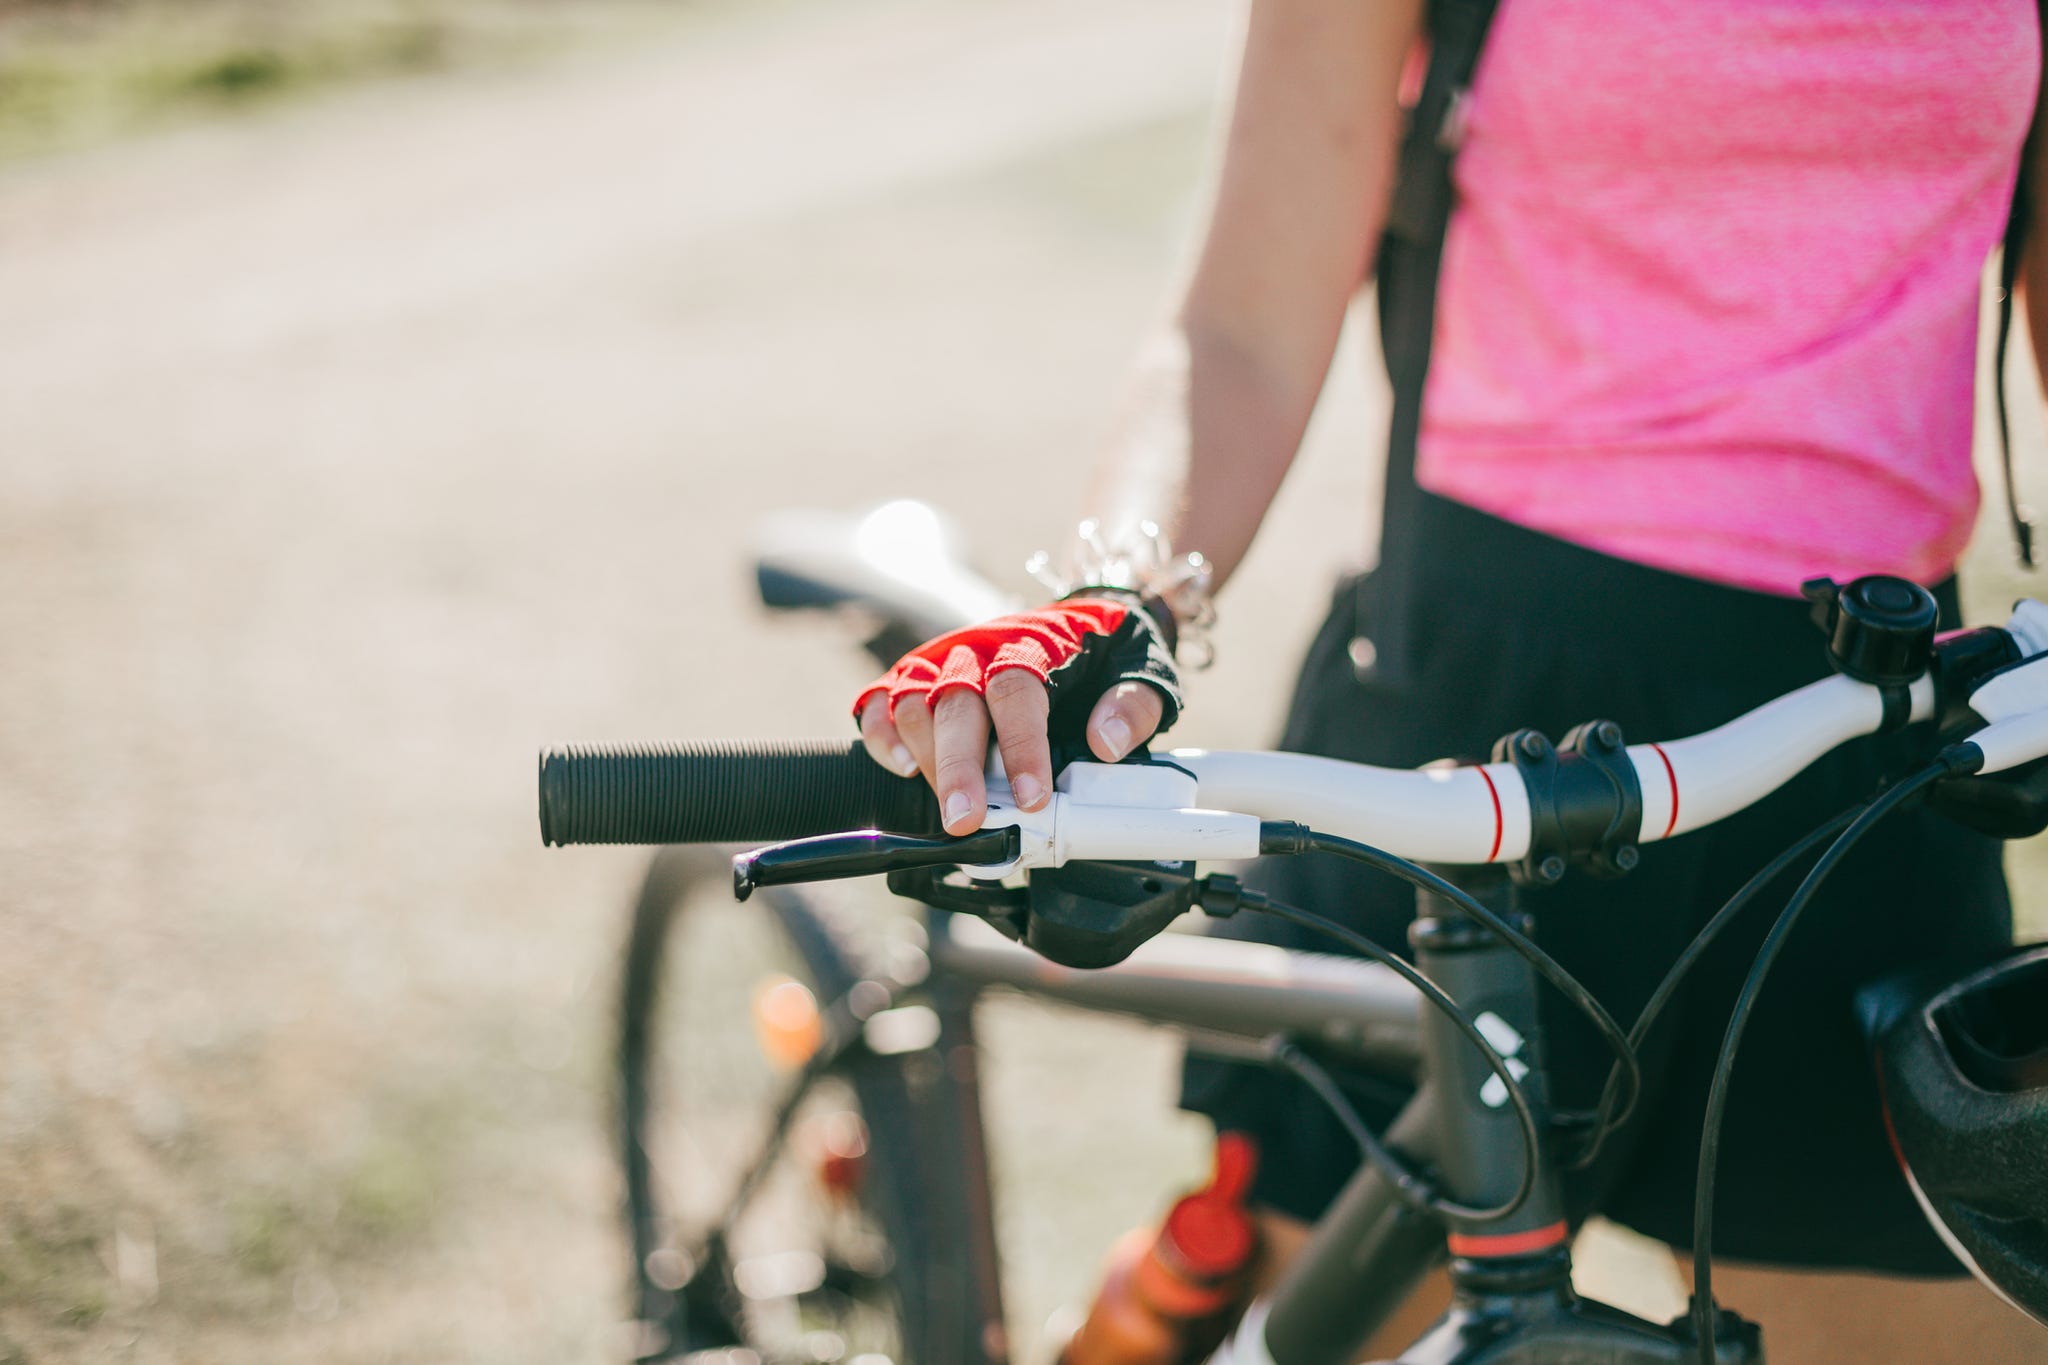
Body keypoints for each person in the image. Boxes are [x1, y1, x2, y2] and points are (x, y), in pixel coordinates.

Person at [854, 2, 2048, 1359]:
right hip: (1476, 744)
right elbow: (1244, 319)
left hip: (1864, 761)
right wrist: (1115, 601)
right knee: (1289, 1323)